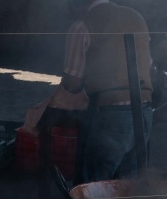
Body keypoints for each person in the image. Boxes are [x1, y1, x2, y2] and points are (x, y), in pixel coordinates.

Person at [59, 0, 154, 181]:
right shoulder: (136, 17)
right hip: (145, 110)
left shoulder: (81, 26)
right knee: (128, 186)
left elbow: (73, 83)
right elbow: (148, 64)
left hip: (113, 116)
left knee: (96, 186)